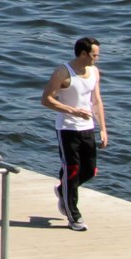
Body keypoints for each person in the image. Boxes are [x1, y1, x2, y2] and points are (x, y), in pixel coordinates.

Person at [41, 37, 108, 231]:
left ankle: (62, 190)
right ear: (83, 54)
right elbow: (46, 99)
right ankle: (74, 216)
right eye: (94, 55)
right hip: (67, 129)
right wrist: (73, 111)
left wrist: (103, 129)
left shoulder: (94, 72)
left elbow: (96, 101)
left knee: (90, 171)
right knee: (72, 171)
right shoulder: (63, 72)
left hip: (87, 128)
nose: (97, 58)